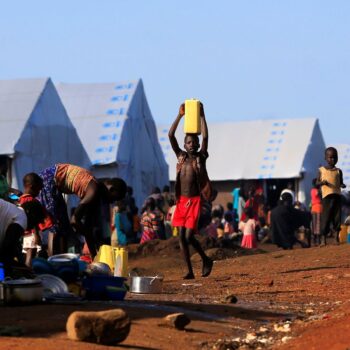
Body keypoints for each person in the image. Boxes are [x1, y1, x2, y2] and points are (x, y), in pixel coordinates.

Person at [38, 163, 127, 258]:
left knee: (63, 226)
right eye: (114, 199)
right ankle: (54, 262)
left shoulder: (95, 194)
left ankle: (61, 262)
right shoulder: (94, 190)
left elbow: (87, 226)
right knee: (57, 225)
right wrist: (80, 236)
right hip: (48, 179)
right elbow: (74, 220)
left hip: (54, 183)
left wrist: (94, 255)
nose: (112, 202)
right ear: (111, 190)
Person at [168, 102, 213, 279]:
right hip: (181, 201)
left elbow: (206, 138)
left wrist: (202, 116)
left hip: (194, 201)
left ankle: (205, 259)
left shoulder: (201, 157)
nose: (192, 144)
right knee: (181, 237)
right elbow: (171, 134)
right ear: (184, 145)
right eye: (188, 142)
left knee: (187, 236)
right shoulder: (181, 156)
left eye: (194, 141)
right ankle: (189, 271)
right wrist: (180, 116)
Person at [0, 198, 46, 274]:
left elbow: (9, 249)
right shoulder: (22, 218)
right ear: (31, 215)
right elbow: (6, 251)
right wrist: (24, 270)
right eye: (36, 222)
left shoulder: (14, 211)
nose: (34, 226)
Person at [18, 173, 55, 266]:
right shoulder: (30, 200)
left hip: (27, 233)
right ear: (32, 187)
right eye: (38, 189)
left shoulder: (21, 199)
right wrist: (36, 234)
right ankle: (29, 271)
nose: (39, 192)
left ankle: (28, 270)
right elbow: (32, 220)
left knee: (29, 253)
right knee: (31, 253)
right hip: (32, 233)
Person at [316, 147, 346, 245]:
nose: (332, 160)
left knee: (337, 217)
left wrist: (342, 185)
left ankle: (336, 238)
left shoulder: (338, 171)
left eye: (334, 157)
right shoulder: (321, 170)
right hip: (326, 197)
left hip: (337, 196)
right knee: (326, 217)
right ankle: (323, 239)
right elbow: (316, 182)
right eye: (330, 157)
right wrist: (322, 182)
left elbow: (340, 182)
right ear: (325, 158)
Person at [310, 178, 323, 245]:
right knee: (318, 224)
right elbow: (319, 194)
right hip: (318, 207)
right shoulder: (317, 190)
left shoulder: (312, 190)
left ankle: (314, 240)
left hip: (313, 208)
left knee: (313, 224)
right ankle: (317, 240)